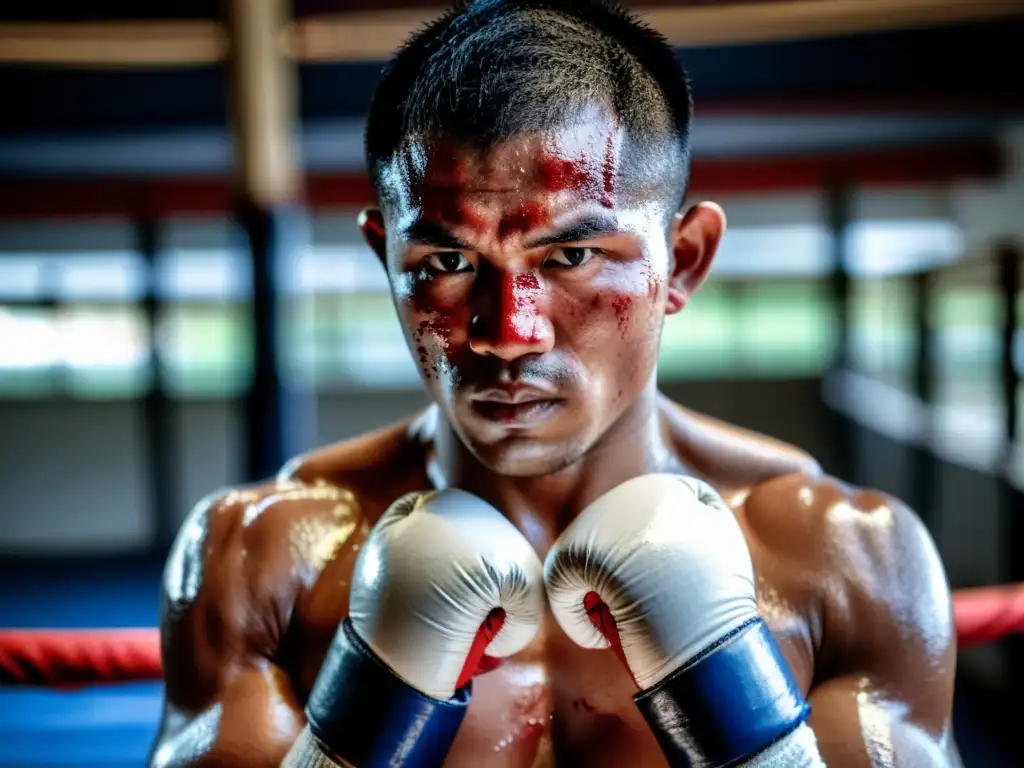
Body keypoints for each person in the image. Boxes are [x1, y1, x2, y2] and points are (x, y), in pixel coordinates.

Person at [147, 1, 961, 765]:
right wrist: (356, 734)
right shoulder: (262, 556)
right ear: (383, 260)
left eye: (569, 257)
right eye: (447, 264)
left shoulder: (844, 561)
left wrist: (751, 737)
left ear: (681, 262)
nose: (509, 333)